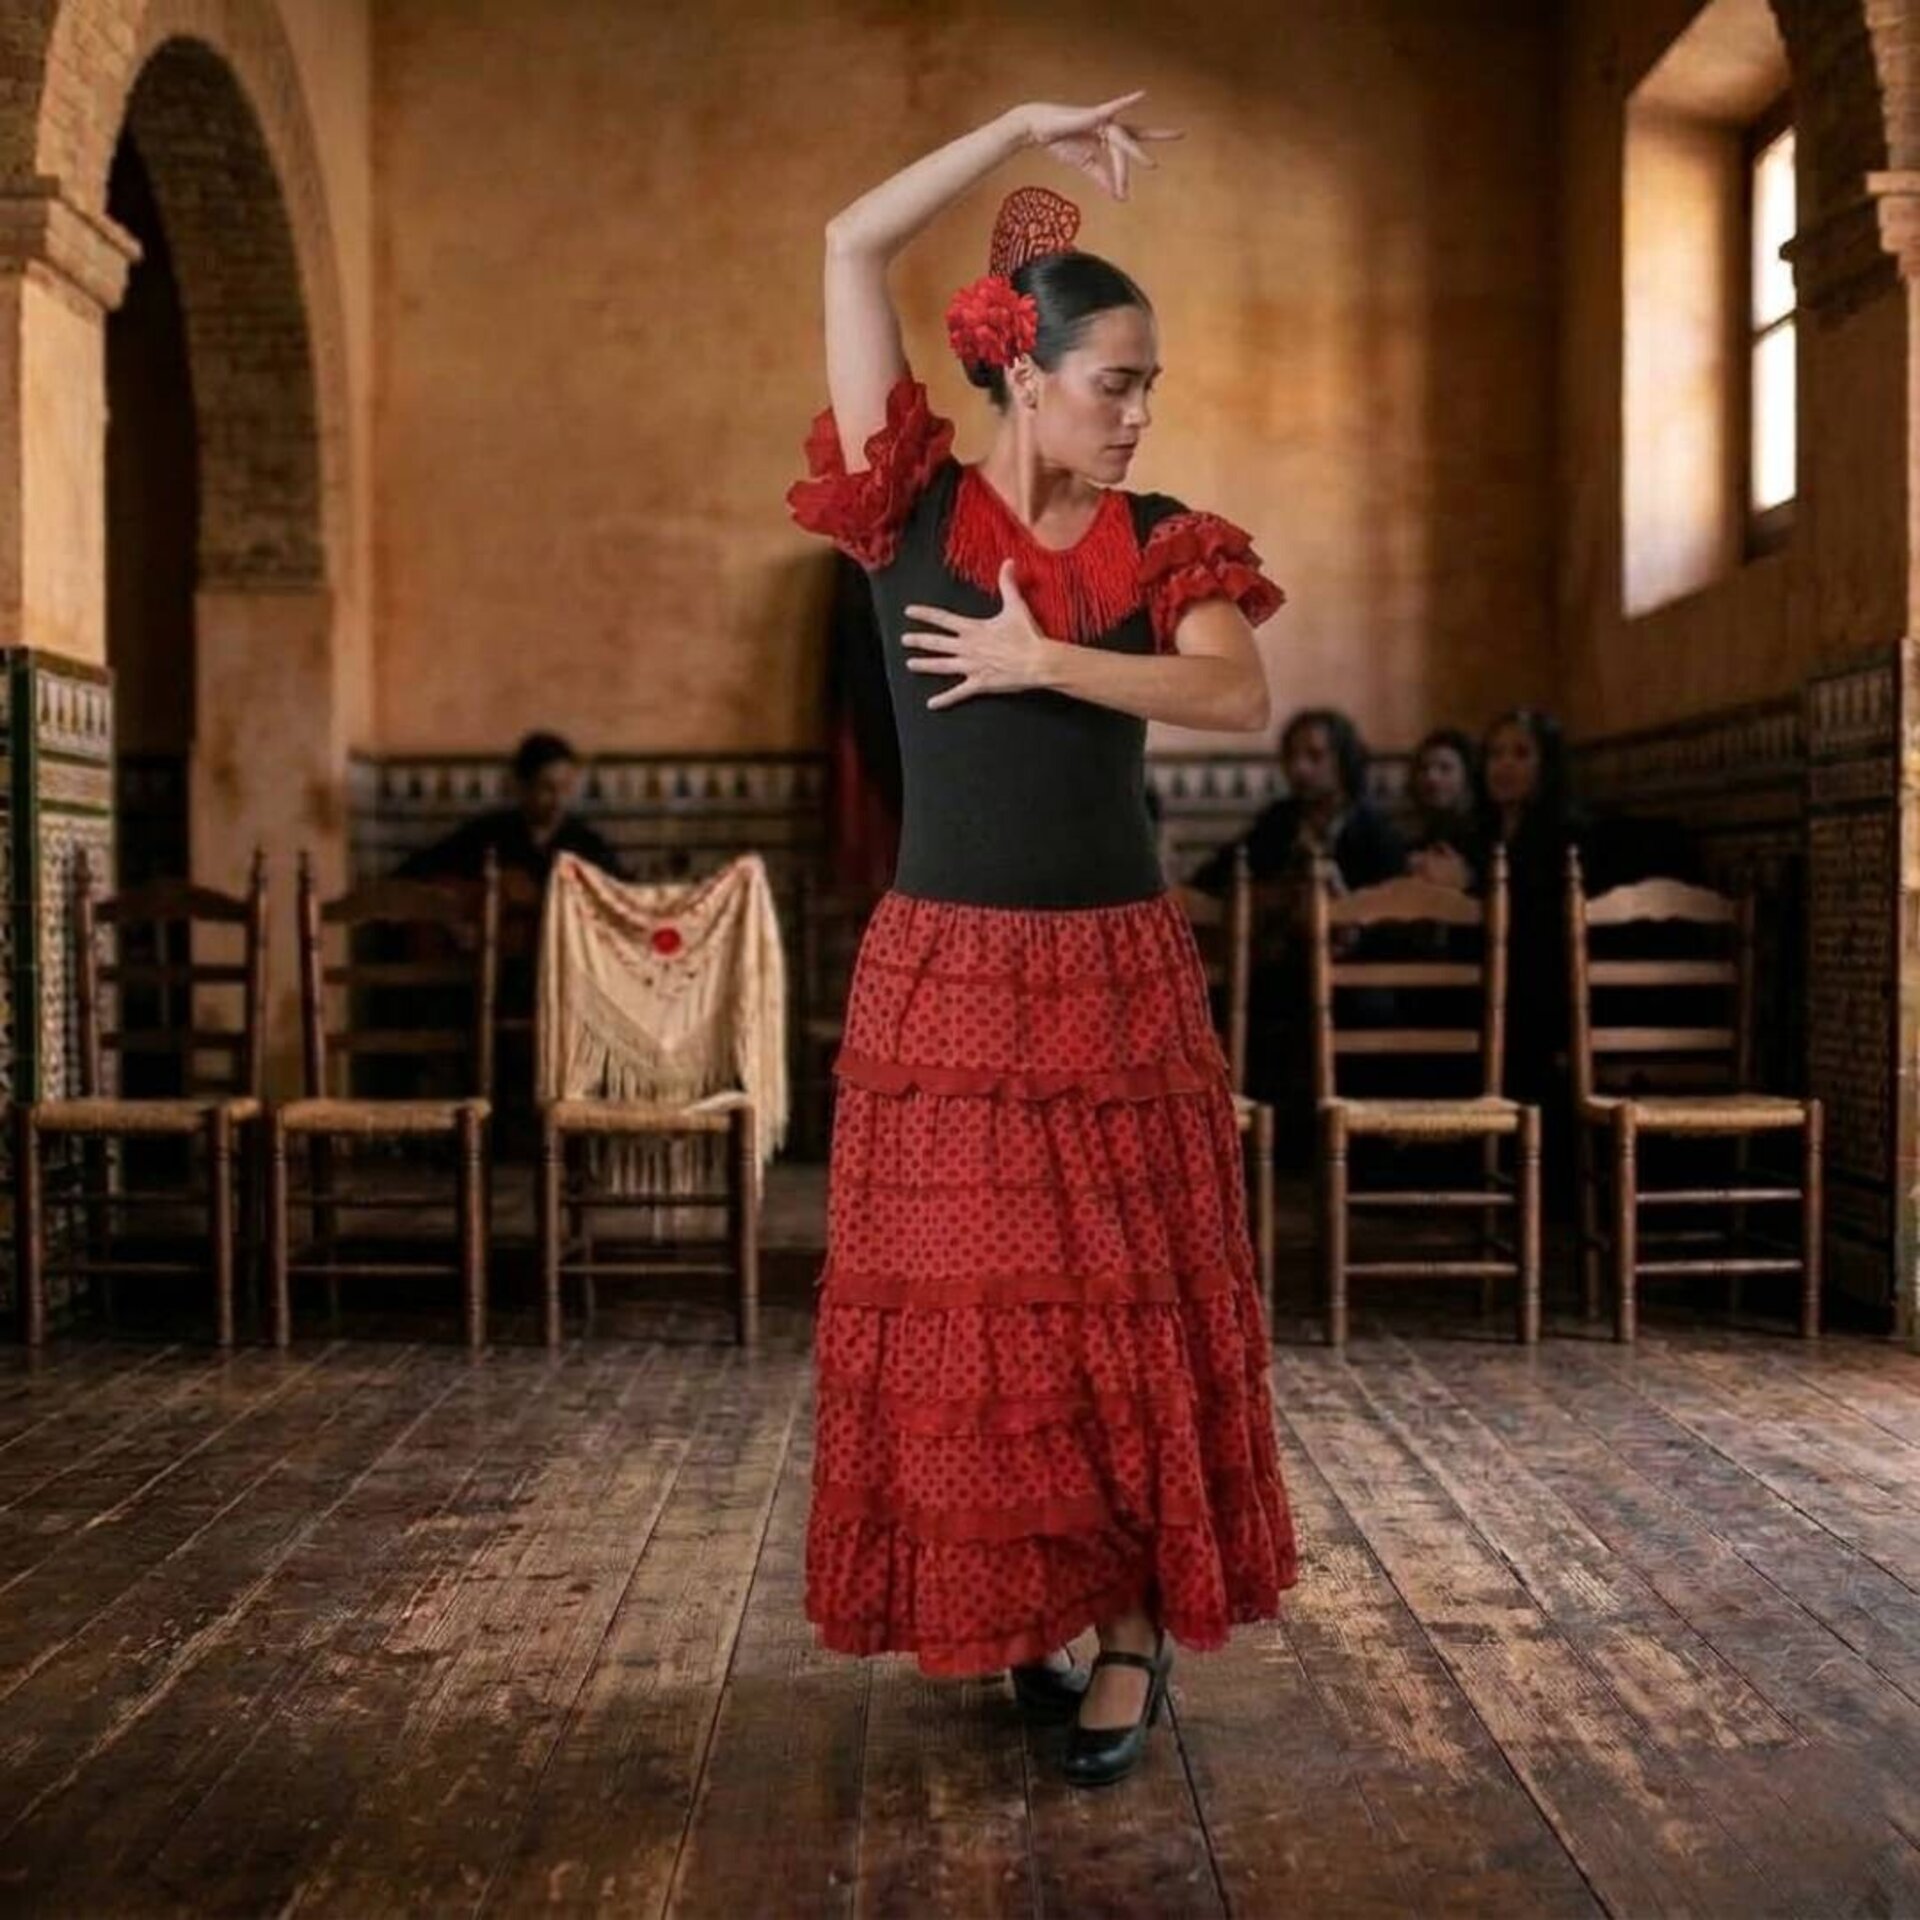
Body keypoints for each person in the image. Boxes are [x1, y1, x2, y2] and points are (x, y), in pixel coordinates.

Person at [788, 93, 1297, 1788]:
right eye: (1116, 380)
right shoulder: (903, 509)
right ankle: (1024, 1604)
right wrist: (1014, 127)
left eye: (1152, 382)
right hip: (946, 985)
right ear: (1024, 373)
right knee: (977, 1325)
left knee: (1125, 1321)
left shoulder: (1164, 546)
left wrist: (1048, 665)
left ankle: (1136, 1634)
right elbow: (853, 244)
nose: (1142, 411)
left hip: (1113, 981)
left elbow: (1238, 692)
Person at [1189, 708, 1406, 899]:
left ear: (1344, 761)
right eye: (1291, 756)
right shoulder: (1279, 820)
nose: (1299, 768)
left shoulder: (1376, 833)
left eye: (1314, 756)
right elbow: (1212, 877)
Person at [397, 731, 628, 890]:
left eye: (565, 788)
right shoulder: (488, 834)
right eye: (547, 788)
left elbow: (623, 891)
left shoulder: (586, 844)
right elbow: (412, 873)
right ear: (523, 787)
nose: (558, 800)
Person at [1404, 726, 1485, 891]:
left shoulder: (1484, 835)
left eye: (1445, 769)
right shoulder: (1419, 837)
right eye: (1424, 769)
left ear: (1467, 776)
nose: (1431, 778)